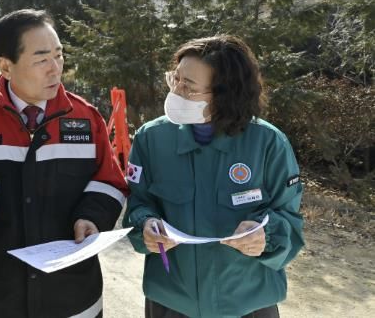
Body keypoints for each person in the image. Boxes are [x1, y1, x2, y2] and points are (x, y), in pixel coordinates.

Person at [0, 9, 128, 318]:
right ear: (5, 66)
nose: (55, 69)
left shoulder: (85, 118)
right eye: (41, 60)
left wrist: (91, 216)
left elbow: (110, 181)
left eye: (59, 56)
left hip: (74, 299)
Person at [123, 35, 304, 318]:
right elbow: (138, 202)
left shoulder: (268, 143)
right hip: (172, 301)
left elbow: (289, 218)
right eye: (175, 80)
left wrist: (265, 236)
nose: (176, 93)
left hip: (247, 303)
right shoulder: (152, 139)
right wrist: (145, 224)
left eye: (189, 87)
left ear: (224, 95)